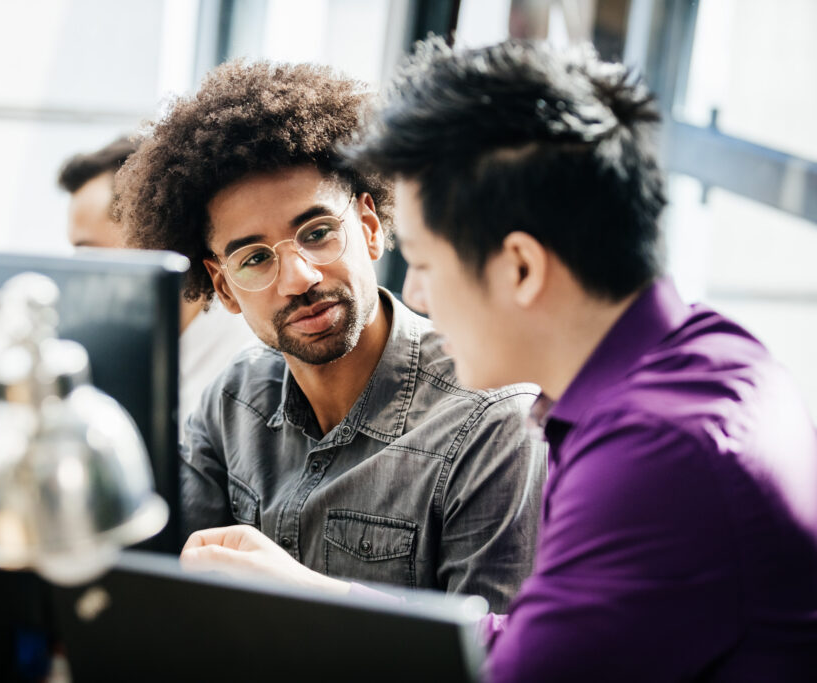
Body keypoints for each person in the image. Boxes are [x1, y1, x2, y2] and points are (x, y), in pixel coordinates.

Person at [186, 39, 817, 680]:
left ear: (520, 267)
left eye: (426, 264)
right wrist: (319, 597)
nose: (415, 294)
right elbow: (522, 638)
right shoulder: (702, 362)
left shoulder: (656, 456)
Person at [113, 60, 546, 611]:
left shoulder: (493, 420)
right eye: (254, 259)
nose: (300, 278)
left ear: (368, 228)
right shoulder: (234, 400)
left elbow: (501, 661)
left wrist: (314, 597)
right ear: (222, 286)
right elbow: (166, 594)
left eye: (318, 233)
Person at [60, 135, 257, 434]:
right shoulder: (135, 352)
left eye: (88, 252)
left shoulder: (247, 363)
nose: (77, 273)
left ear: (151, 232)